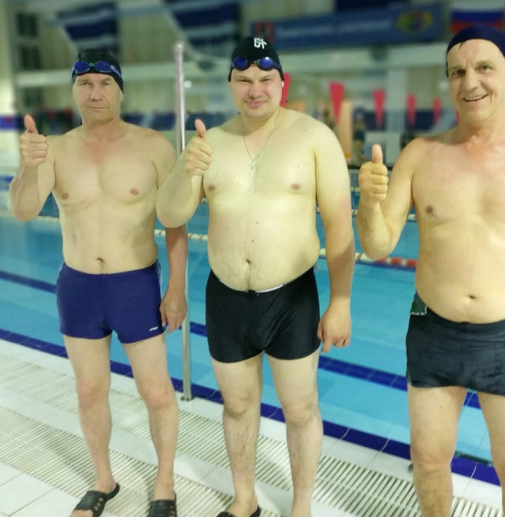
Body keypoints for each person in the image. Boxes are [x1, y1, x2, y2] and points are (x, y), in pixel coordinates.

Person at [356, 26, 505, 517]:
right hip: (432, 329)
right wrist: (368, 205)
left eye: (485, 68)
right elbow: (378, 246)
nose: (470, 82)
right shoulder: (421, 154)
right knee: (427, 463)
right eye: (457, 72)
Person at [156, 36, 355, 517]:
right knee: (238, 406)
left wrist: (341, 302)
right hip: (226, 296)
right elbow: (169, 215)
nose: (255, 89)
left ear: (282, 83)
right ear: (230, 84)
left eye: (266, 79)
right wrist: (185, 171)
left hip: (292, 299)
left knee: (300, 409)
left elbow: (339, 225)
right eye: (243, 80)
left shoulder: (315, 138)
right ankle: (244, 500)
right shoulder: (209, 143)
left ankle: (301, 506)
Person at [8, 49, 187, 517]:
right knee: (89, 391)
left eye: (105, 83)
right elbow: (23, 210)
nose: (95, 92)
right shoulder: (55, 149)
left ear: (120, 91)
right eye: (85, 83)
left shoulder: (153, 146)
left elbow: (175, 224)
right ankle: (103, 480)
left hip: (135, 286)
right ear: (73, 92)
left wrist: (176, 288)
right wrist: (28, 164)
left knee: (156, 392)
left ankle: (164, 484)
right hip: (79, 286)